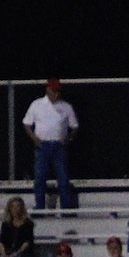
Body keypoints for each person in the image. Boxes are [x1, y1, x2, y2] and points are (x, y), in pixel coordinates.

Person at [23, 78, 78, 209]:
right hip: (42, 146)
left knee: (63, 178)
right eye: (53, 91)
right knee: (40, 178)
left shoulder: (66, 106)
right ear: (47, 90)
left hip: (59, 146)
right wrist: (35, 139)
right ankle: (40, 206)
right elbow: (26, 124)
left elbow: (74, 126)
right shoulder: (36, 104)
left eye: (58, 91)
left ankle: (66, 207)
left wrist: (69, 138)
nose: (56, 94)